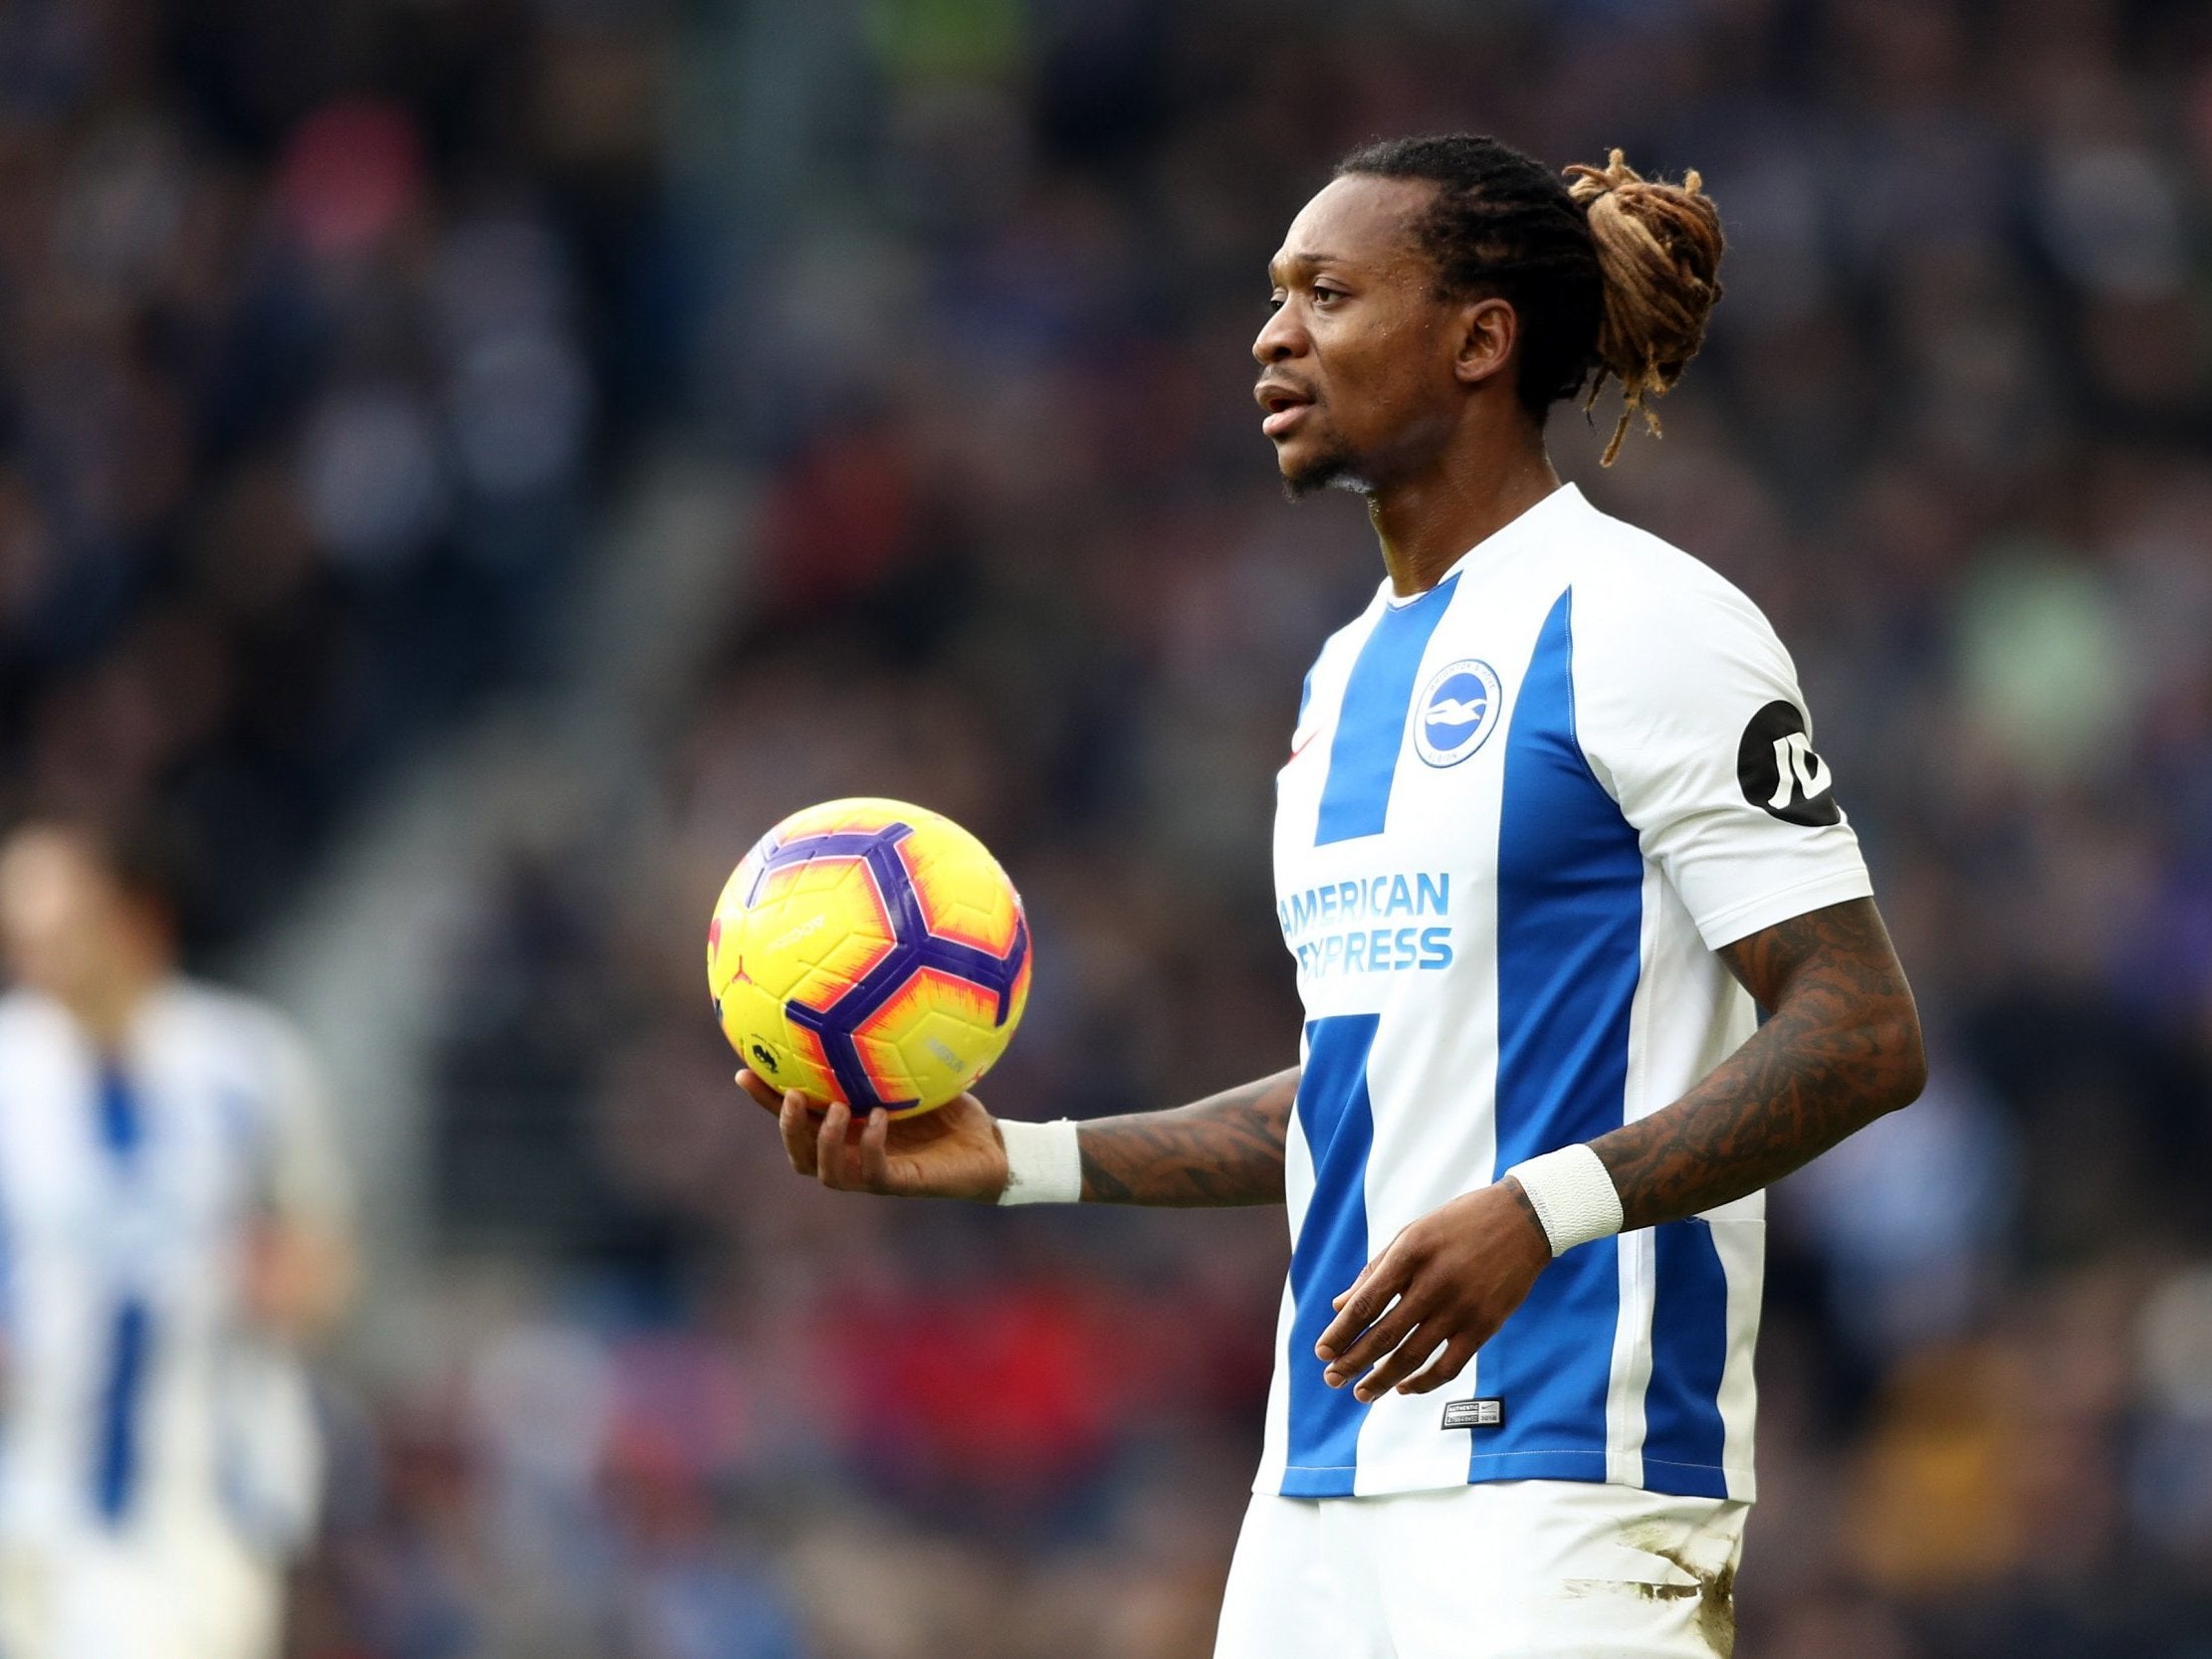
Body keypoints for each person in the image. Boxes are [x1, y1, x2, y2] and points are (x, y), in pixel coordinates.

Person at [736, 133, 1926, 1658]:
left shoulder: (1648, 623)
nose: (1271, 333)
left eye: (1326, 292)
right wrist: (1016, 1159)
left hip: (1565, 1478)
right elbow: (1366, 1086)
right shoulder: (1340, 676)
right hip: (1317, 1489)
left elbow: (1860, 1027)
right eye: (1273, 294)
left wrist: (1537, 1210)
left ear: (1479, 339)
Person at [0, 817, 355, 1659]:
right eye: (20, 933)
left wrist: (281, 1283)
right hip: (32, 1494)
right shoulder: (9, 1070)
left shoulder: (248, 1063)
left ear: (138, 918)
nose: (37, 954)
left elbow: (323, 1263)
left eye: (62, 928)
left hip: (205, 1514)